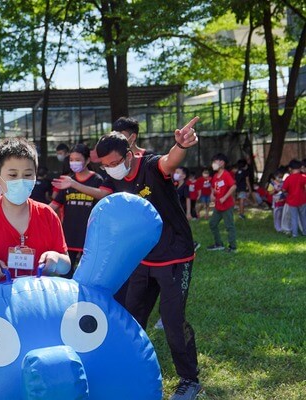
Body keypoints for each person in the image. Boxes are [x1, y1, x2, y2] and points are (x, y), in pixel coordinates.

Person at [94, 117, 202, 400]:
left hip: (175, 255)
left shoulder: (151, 165)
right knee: (130, 318)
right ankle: (130, 369)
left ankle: (190, 380)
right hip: (142, 257)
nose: (109, 168)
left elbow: (170, 161)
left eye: (113, 162)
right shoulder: (113, 179)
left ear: (129, 154)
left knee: (172, 320)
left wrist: (180, 144)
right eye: (103, 165)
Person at [0, 137, 71, 284]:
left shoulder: (47, 215)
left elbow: (67, 265)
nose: (21, 180)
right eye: (12, 175)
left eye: (27, 175)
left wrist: (56, 259)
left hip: (40, 302)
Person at [50, 143, 108, 278]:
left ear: (87, 160)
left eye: (77, 160)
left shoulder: (96, 180)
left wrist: (74, 184)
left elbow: (102, 196)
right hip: (69, 235)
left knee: (86, 276)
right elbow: (54, 205)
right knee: (66, 275)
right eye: (71, 160)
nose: (73, 163)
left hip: (89, 237)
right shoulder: (68, 181)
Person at [207, 153, 237, 252]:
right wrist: (212, 194)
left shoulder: (226, 174)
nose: (213, 164)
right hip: (218, 205)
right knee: (212, 223)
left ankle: (232, 247)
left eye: (215, 162)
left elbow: (233, 186)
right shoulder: (215, 176)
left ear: (222, 163)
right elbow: (214, 187)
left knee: (229, 226)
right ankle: (218, 244)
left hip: (227, 206)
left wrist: (224, 197)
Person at [282, 159, 306, 238]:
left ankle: (295, 234)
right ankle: (304, 232)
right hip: (302, 200)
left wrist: (286, 194)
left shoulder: (288, 178)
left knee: (294, 217)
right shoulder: (303, 177)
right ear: (300, 168)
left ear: (290, 168)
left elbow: (284, 189)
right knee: (303, 217)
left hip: (292, 201)